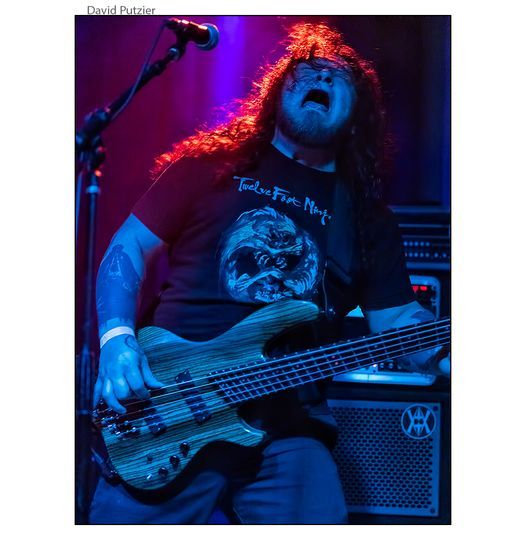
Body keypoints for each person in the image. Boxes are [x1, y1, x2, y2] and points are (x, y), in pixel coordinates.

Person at [89, 22, 449, 524]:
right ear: (277, 93)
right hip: (171, 403)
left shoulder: (366, 217)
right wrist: (116, 341)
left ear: (357, 113)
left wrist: (445, 349)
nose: (321, 77)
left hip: (289, 422)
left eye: (339, 76)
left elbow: (398, 322)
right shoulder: (210, 165)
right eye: (306, 71)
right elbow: (127, 247)